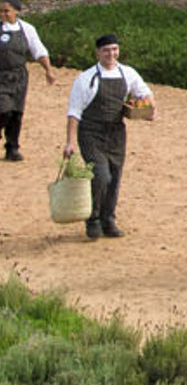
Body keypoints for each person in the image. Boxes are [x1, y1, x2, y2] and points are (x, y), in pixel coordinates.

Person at [63, 34, 152, 240]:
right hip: (91, 132)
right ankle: (93, 218)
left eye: (114, 49)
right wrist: (70, 142)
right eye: (106, 50)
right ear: (97, 53)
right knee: (101, 176)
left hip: (116, 133)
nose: (111, 54)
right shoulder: (85, 79)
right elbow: (74, 112)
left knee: (115, 177)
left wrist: (149, 108)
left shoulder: (128, 73)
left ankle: (108, 219)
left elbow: (144, 93)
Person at [0, 0, 54, 161]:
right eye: (1, 11)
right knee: (4, 110)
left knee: (16, 113)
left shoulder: (27, 29)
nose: (3, 14)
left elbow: (39, 50)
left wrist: (48, 70)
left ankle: (12, 148)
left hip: (19, 77)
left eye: (6, 11)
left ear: (16, 11)